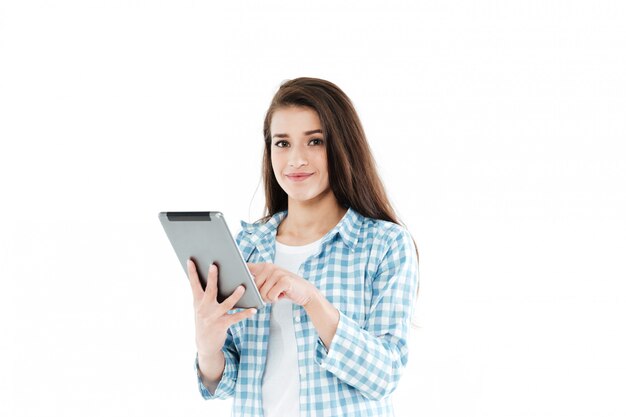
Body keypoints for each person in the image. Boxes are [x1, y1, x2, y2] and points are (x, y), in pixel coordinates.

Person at [187, 77, 420, 417]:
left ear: (342, 146)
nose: (295, 159)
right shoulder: (249, 245)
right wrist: (208, 346)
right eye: (282, 143)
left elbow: (383, 375)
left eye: (314, 141)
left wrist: (311, 299)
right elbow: (227, 380)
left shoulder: (383, 244)